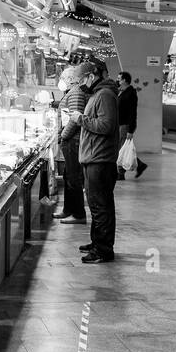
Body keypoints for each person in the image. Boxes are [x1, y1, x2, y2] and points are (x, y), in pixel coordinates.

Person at [73, 62, 119, 263]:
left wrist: (80, 119)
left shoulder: (105, 95)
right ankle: (97, 242)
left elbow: (106, 125)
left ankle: (103, 250)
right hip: (94, 158)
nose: (80, 84)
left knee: (101, 206)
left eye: (82, 80)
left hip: (100, 160)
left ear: (91, 76)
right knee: (96, 204)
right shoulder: (97, 95)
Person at [56, 63, 89, 224]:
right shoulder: (71, 92)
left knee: (74, 178)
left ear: (70, 79)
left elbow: (75, 119)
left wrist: (63, 135)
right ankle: (68, 209)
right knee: (68, 176)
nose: (61, 81)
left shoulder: (75, 93)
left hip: (73, 142)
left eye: (62, 78)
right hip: (70, 141)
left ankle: (78, 214)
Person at [116, 71, 147, 179]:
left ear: (124, 80)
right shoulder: (121, 91)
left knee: (121, 148)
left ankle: (120, 174)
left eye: (119, 78)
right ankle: (140, 166)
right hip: (120, 124)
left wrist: (131, 129)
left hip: (125, 125)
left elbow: (132, 113)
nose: (117, 80)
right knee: (123, 148)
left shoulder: (130, 93)